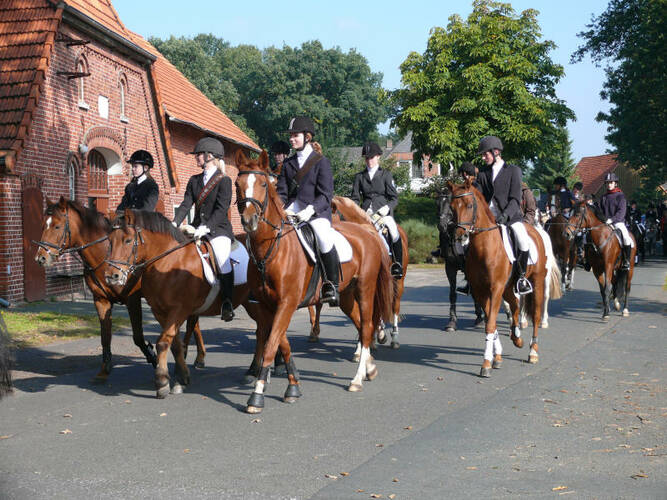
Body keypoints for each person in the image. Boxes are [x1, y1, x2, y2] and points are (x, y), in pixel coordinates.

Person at [276, 117, 340, 306]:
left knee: (323, 238)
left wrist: (310, 210)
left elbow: (326, 195)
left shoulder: (321, 162)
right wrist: (280, 209)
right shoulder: (288, 164)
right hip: (292, 211)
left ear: (307, 137)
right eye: (290, 136)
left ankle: (331, 285)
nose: (291, 139)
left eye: (295, 135)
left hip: (317, 213)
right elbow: (282, 193)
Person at [173, 137, 235, 321]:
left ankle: (227, 302)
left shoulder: (224, 181)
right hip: (196, 227)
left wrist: (206, 227)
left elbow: (221, 210)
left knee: (222, 259)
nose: (196, 157)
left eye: (199, 154)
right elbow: (186, 204)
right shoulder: (194, 180)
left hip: (218, 229)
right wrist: (174, 223)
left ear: (210, 156)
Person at [476, 135, 533, 295]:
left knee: (522, 240)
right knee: (468, 241)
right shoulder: (483, 173)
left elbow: (515, 198)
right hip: (488, 219)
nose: (483, 157)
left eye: (485, 154)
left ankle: (521, 278)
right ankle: (470, 278)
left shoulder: (513, 171)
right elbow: (479, 195)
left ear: (496, 152)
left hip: (510, 217)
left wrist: (506, 215)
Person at [351, 142, 403, 278]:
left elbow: (394, 198)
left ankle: (397, 264)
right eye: (367, 158)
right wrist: (356, 212)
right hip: (365, 214)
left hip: (382, 213)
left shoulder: (386, 175)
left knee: (393, 230)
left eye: (372, 157)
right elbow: (355, 198)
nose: (369, 161)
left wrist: (387, 208)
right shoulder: (359, 177)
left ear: (378, 156)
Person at [598, 172, 633, 270]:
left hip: (618, 222)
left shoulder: (620, 196)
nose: (609, 184)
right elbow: (600, 210)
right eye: (607, 183)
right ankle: (587, 259)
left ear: (615, 183)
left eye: (611, 182)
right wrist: (603, 219)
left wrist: (612, 219)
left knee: (626, 237)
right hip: (605, 223)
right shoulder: (603, 197)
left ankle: (626, 261)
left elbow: (621, 212)